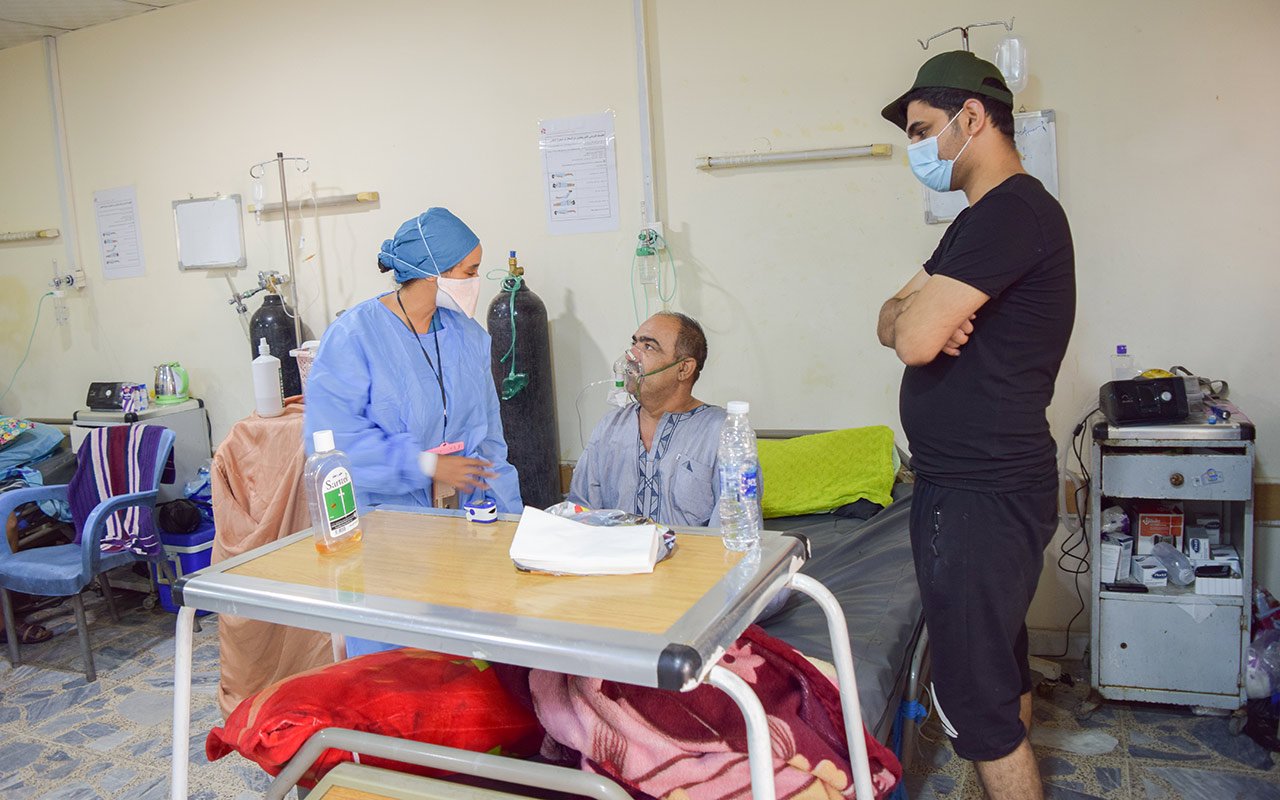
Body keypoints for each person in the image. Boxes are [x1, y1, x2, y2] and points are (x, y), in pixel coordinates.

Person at [876, 51, 1075, 800]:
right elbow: (890, 318)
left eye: (924, 129)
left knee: (973, 700)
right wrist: (911, 317)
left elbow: (916, 337)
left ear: (972, 117)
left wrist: (917, 323)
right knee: (1000, 666)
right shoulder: (977, 222)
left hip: (979, 496)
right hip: (981, 487)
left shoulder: (1014, 211)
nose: (917, 150)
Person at [305, 208, 523, 658]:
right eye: (470, 271)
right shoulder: (353, 337)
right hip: (386, 530)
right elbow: (337, 443)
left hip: (465, 525)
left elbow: (490, 443)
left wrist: (512, 528)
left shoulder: (468, 337)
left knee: (468, 662)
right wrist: (425, 465)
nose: (476, 282)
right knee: (396, 666)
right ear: (432, 272)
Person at [570, 312, 725, 527]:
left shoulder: (721, 432)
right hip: (616, 558)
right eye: (634, 344)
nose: (632, 356)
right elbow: (581, 513)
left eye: (648, 346)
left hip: (691, 560)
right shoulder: (610, 427)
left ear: (684, 368)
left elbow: (733, 532)